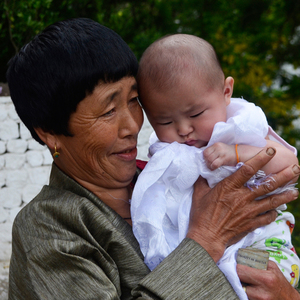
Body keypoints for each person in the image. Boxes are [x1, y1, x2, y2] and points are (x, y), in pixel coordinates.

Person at [6, 18, 300, 300]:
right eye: (108, 111)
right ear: (50, 133)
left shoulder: (168, 180)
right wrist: (207, 239)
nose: (133, 126)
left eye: (133, 101)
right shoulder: (48, 231)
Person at [131, 34, 300, 299]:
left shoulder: (239, 128)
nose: (184, 130)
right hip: (202, 257)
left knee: (256, 285)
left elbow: (289, 164)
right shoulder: (167, 155)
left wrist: (237, 153)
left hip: (262, 242)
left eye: (196, 114)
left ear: (226, 91)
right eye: (164, 122)